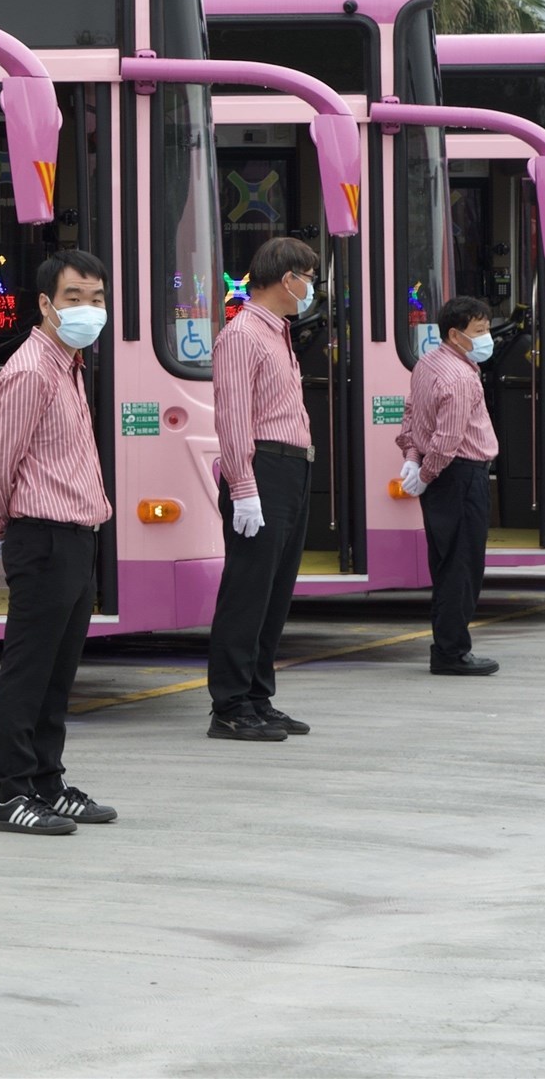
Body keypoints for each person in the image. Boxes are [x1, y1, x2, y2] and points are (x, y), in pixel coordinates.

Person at [0, 249, 118, 835]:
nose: (88, 309)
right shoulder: (32, 370)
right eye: (73, 298)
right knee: (30, 667)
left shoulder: (69, 365)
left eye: (97, 298)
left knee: (59, 671)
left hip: (77, 534)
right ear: (45, 304)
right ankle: (12, 793)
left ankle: (47, 780)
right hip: (43, 535)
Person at [207, 236, 319, 741]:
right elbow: (233, 417)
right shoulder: (243, 334)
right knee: (248, 591)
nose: (311, 288)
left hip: (291, 468)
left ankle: (257, 696)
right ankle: (229, 704)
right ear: (287, 278)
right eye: (308, 278)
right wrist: (243, 486)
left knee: (275, 593)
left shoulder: (279, 333)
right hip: (263, 468)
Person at [399, 297, 500, 675]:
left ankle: (448, 646)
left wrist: (413, 458)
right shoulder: (459, 377)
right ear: (456, 335)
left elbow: (412, 415)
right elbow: (447, 440)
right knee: (462, 566)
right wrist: (425, 475)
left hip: (444, 477)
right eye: (480, 331)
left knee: (446, 564)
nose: (487, 338)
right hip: (461, 476)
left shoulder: (427, 364)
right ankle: (452, 651)